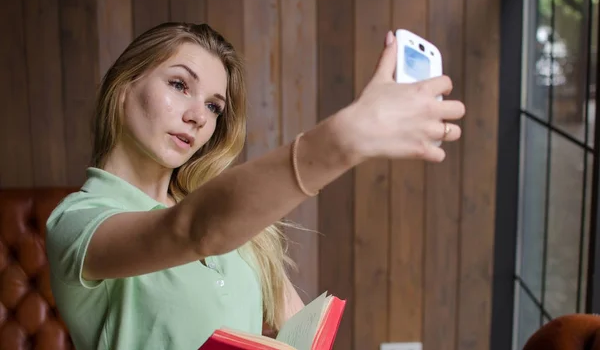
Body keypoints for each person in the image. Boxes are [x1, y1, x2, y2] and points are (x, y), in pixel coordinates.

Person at [45, 22, 465, 350]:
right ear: (123, 89)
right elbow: (190, 232)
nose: (198, 116)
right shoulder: (77, 222)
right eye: (179, 85)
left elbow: (296, 331)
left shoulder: (237, 222)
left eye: (213, 106)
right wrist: (345, 140)